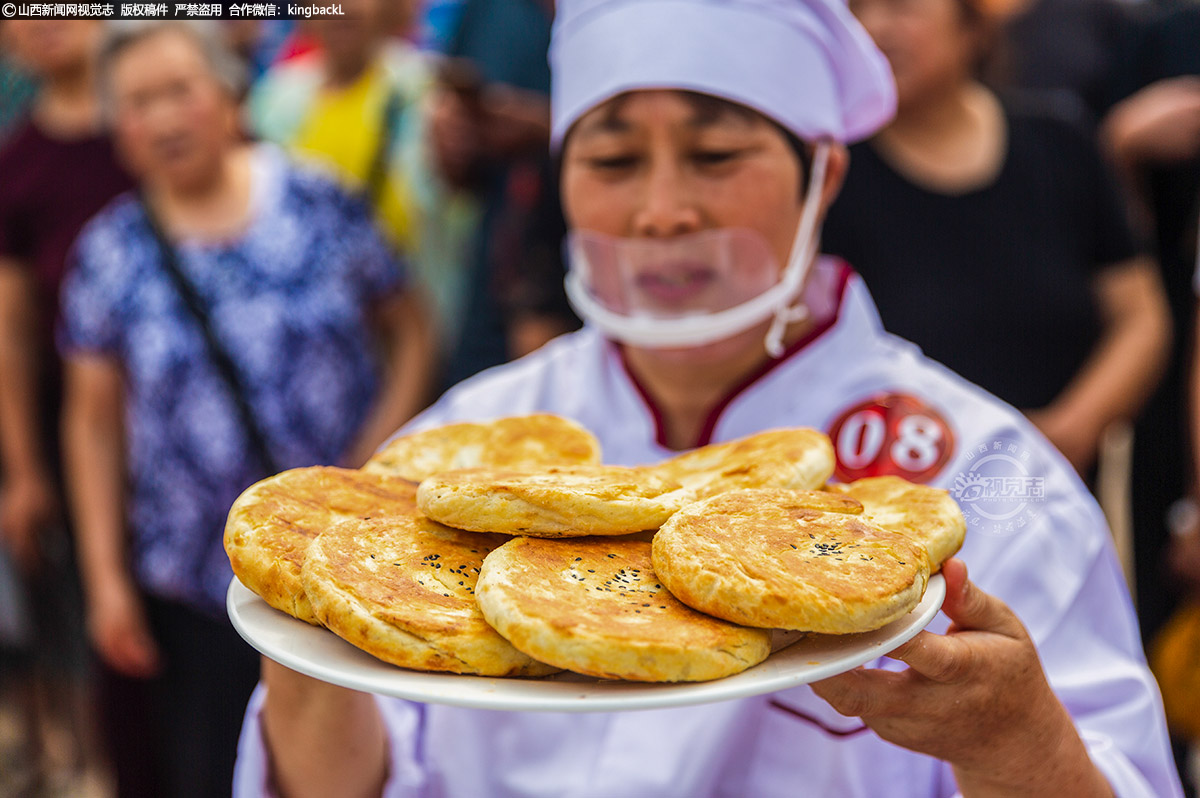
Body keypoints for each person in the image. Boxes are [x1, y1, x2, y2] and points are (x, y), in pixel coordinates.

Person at [233, 0, 1182, 795]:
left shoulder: (983, 478)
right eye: (612, 162)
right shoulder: (459, 458)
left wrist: (1014, 740)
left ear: (825, 174)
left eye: (715, 155)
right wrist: (303, 630)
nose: (661, 212)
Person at [58, 20, 433, 798]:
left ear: (227, 95)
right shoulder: (110, 252)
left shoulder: (318, 199)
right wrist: (104, 579)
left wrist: (374, 458)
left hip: (350, 565)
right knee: (211, 766)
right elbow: (92, 420)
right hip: (196, 582)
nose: (162, 119)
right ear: (114, 127)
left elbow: (412, 330)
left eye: (178, 91)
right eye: (135, 103)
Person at [821, 0, 1170, 478]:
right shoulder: (830, 174)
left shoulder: (1059, 142)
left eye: (901, 7)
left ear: (971, 27)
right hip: (889, 494)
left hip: (1055, 482)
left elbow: (1139, 315)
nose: (874, 28)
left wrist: (1072, 428)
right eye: (856, 9)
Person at [0, 19, 133, 795]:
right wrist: (22, 470)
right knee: (94, 626)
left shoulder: (153, 121)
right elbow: (11, 336)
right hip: (72, 434)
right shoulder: (19, 163)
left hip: (185, 439)